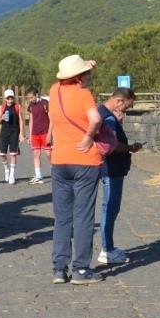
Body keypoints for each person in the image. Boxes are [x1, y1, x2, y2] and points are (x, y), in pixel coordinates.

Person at [48, 55, 105, 284]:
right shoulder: (84, 95)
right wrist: (89, 136)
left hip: (60, 161)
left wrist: (87, 66)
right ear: (80, 76)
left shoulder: (54, 90)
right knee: (83, 217)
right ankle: (81, 270)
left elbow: (73, 78)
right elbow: (95, 118)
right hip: (85, 160)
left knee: (62, 217)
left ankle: (59, 269)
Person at [95, 86, 143, 266]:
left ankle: (109, 247)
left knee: (110, 207)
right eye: (126, 107)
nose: (126, 110)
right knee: (110, 207)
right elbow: (112, 145)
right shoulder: (108, 118)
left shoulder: (102, 113)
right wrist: (131, 147)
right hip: (111, 168)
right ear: (119, 101)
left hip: (107, 167)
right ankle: (107, 249)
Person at [24, 87, 51, 183]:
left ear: (37, 95)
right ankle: (38, 175)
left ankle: (55, 171)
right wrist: (30, 136)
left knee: (49, 154)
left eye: (31, 97)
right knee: (36, 154)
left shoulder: (45, 103)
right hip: (35, 133)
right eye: (29, 98)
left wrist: (50, 134)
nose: (30, 100)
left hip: (45, 132)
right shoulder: (31, 106)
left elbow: (51, 119)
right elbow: (31, 121)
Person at [0, 89, 21, 184]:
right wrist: (1, 118)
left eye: (11, 98)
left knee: (13, 154)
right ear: (5, 99)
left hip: (14, 132)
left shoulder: (17, 107)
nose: (10, 100)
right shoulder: (2, 107)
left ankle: (12, 175)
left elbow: (21, 120)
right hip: (4, 133)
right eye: (8, 98)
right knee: (2, 154)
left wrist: (21, 133)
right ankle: (6, 170)